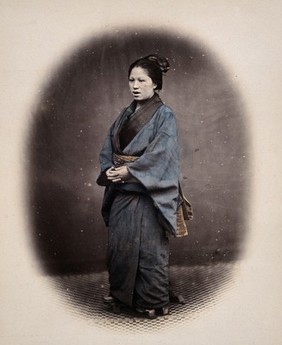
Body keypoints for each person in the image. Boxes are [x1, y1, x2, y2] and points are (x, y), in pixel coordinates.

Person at [96, 54, 182, 319]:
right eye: (131, 80)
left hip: (147, 195)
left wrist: (130, 172)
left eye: (142, 80)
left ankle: (151, 300)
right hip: (122, 192)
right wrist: (109, 169)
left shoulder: (164, 115)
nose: (135, 85)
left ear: (155, 84)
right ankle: (123, 296)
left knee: (148, 250)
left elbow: (162, 155)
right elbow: (109, 147)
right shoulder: (125, 114)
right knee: (120, 247)